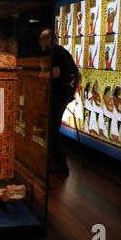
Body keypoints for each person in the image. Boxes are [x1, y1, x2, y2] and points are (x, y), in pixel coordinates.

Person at [39, 29, 81, 174]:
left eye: (42, 39)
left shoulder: (56, 52)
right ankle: (53, 162)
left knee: (52, 129)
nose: (40, 43)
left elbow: (55, 73)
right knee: (52, 128)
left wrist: (41, 75)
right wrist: (72, 93)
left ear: (49, 39)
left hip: (57, 96)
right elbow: (78, 75)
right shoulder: (64, 52)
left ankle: (61, 165)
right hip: (63, 96)